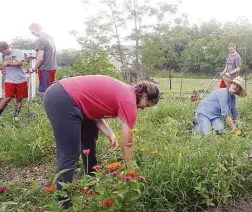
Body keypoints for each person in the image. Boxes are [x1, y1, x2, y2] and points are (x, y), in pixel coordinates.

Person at [43, 75, 160, 209]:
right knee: (69, 153)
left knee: (89, 137)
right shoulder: (129, 101)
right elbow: (128, 144)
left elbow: (94, 109)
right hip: (63, 99)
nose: (144, 108)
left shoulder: (126, 91)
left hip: (67, 96)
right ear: (146, 96)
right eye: (147, 105)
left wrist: (110, 133)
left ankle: (91, 181)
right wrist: (131, 171)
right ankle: (63, 202)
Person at [0, 42, 28, 121]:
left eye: (2, 51)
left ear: (7, 48)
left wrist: (7, 63)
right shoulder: (2, 55)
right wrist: (2, 66)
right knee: (7, 98)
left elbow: (20, 63)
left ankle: (16, 116)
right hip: (10, 80)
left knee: (19, 99)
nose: (2, 53)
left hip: (21, 80)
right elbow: (1, 65)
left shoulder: (18, 52)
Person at [29, 23, 57, 93]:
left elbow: (40, 58)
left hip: (45, 69)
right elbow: (48, 53)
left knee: (46, 92)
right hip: (52, 68)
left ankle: (47, 104)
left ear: (38, 29)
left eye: (33, 32)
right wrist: (34, 57)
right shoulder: (50, 38)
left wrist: (34, 69)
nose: (32, 34)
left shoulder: (41, 39)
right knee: (50, 90)